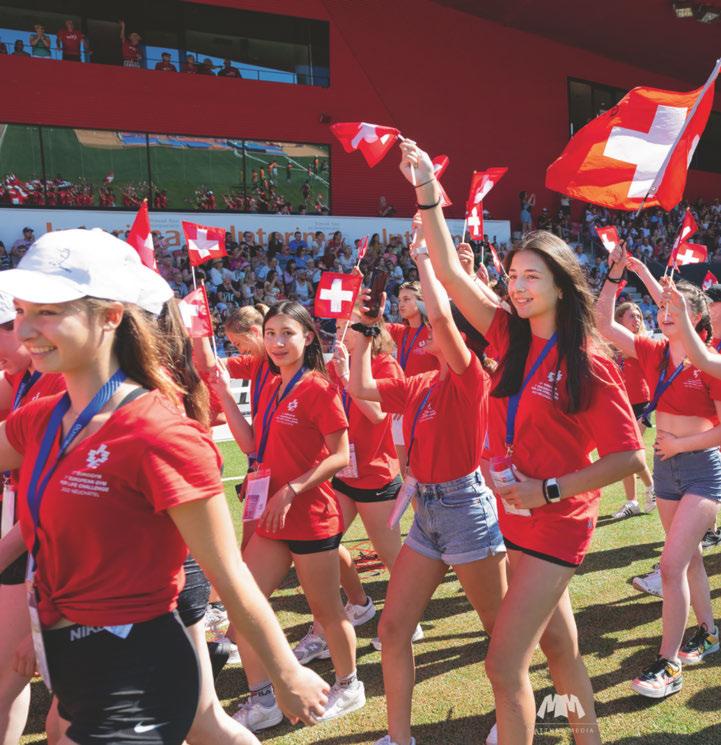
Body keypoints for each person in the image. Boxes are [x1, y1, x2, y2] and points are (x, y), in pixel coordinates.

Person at [0, 229, 329, 744]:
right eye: (21, 311)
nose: (25, 330)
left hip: (139, 671)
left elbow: (230, 573)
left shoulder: (162, 434)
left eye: (47, 312)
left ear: (111, 316)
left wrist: (286, 671)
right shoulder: (44, 418)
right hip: (73, 662)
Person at [399, 140, 644, 745]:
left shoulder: (587, 360)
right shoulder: (507, 337)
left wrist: (548, 489)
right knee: (560, 649)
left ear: (562, 286)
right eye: (513, 275)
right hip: (514, 512)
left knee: (502, 663)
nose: (518, 285)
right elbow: (454, 274)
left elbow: (629, 457)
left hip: (557, 520)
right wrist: (427, 189)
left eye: (532, 276)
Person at [348, 218, 507, 745]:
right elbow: (362, 387)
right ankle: (400, 738)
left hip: (464, 510)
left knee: (500, 635)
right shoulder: (418, 382)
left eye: (449, 332)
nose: (439, 334)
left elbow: (439, 315)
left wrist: (423, 259)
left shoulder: (470, 380)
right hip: (426, 515)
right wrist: (360, 339)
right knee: (392, 630)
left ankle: (514, 717)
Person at [208, 301, 365, 733]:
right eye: (272, 333)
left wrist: (294, 488)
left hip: (311, 516)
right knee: (244, 605)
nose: (277, 342)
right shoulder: (277, 384)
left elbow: (340, 455)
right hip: (273, 519)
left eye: (287, 334)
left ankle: (349, 685)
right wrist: (223, 392)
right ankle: (263, 701)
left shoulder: (317, 387)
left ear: (308, 337)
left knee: (327, 613)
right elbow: (253, 442)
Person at [597, 244, 721, 698]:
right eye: (663, 307)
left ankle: (668, 665)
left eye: (676, 308)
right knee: (688, 561)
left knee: (670, 567)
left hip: (702, 471)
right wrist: (614, 275)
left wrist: (681, 443)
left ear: (697, 318)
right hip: (669, 471)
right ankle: (709, 631)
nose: (665, 313)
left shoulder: (711, 361)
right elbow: (603, 323)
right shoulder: (652, 351)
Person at [0, 293, 65, 745]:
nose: (21, 332)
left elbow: (62, 496)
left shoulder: (63, 387)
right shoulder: (27, 380)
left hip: (50, 550)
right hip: (26, 536)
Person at [607, 301, 655, 518]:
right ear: (619, 321)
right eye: (631, 316)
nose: (637, 319)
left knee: (629, 452)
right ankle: (633, 501)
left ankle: (651, 488)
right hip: (622, 403)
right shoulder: (611, 345)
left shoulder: (642, 342)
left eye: (638, 316)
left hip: (642, 404)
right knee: (625, 452)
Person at [385, 281, 439, 474]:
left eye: (407, 299)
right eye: (399, 300)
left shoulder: (434, 331)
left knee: (429, 468)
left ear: (422, 301)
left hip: (430, 407)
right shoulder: (402, 332)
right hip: (403, 406)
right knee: (406, 470)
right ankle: (416, 506)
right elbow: (371, 323)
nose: (401, 304)